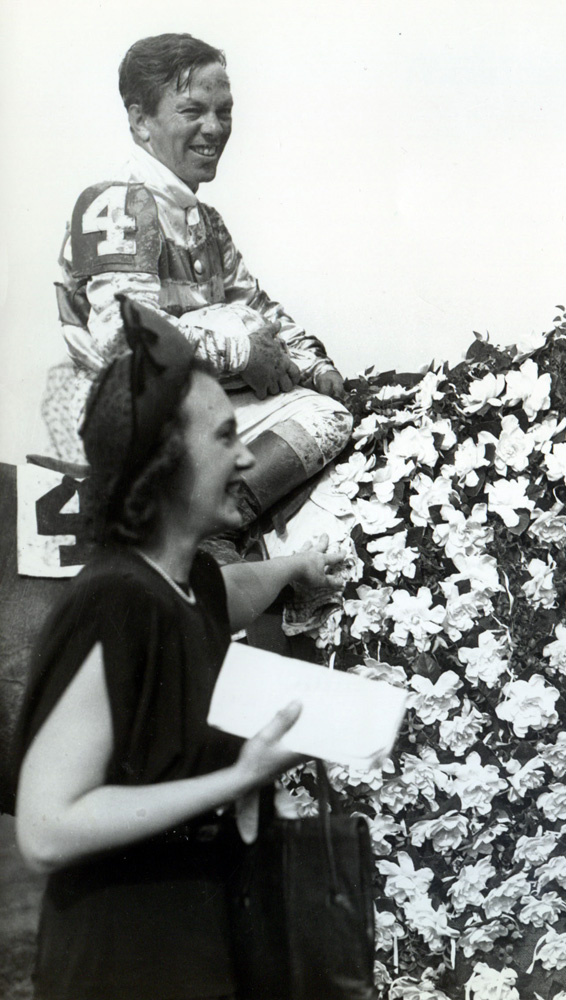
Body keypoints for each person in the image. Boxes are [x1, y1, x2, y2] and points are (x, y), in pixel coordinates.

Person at [12, 298, 347, 999]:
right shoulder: (114, 600)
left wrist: (291, 568)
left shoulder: (184, 580)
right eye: (227, 437)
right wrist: (238, 777)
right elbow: (45, 829)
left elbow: (231, 591)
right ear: (166, 464)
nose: (250, 453)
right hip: (119, 964)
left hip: (191, 948)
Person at [41, 33, 351, 540]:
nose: (214, 128)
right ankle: (206, 534)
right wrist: (240, 354)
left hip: (192, 403)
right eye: (193, 111)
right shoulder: (116, 201)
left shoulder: (203, 218)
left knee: (317, 399)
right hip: (129, 415)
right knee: (325, 419)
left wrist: (314, 362)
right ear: (141, 121)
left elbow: (255, 303)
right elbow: (124, 340)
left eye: (224, 111)